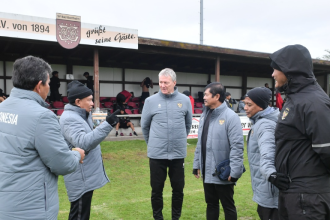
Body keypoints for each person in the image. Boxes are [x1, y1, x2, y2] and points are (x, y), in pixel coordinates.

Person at [0, 56, 85, 220]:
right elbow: (62, 164)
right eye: (48, 83)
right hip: (31, 209)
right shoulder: (42, 116)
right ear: (39, 86)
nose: (49, 88)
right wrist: (76, 154)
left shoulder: (2, 108)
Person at [269, 44, 330, 219]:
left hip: (308, 199)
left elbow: (327, 149)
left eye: (276, 69)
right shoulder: (296, 99)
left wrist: (310, 187)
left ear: (289, 69)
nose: (273, 74)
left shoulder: (312, 102)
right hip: (295, 194)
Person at [59, 80, 119, 220]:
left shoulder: (82, 115)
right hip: (80, 177)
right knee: (79, 215)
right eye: (90, 100)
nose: (93, 103)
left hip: (84, 176)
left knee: (82, 214)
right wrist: (107, 125)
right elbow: (83, 143)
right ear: (78, 102)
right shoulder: (69, 118)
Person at [141, 68, 192, 220]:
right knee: (156, 190)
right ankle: (158, 218)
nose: (162, 85)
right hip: (157, 155)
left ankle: (175, 217)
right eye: (160, 82)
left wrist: (178, 140)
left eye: (166, 82)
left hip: (178, 154)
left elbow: (187, 125)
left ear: (174, 83)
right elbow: (145, 126)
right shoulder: (150, 101)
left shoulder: (184, 100)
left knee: (178, 190)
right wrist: (153, 144)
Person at [193, 82, 245, 220]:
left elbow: (237, 146)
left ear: (216, 96)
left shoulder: (231, 117)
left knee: (228, 206)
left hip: (223, 172)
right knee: (211, 204)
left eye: (206, 94)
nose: (203, 97)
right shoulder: (204, 115)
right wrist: (197, 164)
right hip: (207, 171)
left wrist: (234, 171)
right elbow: (200, 142)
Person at [244, 87, 280, 220]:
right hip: (264, 186)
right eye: (244, 104)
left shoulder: (265, 125)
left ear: (260, 106)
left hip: (269, 188)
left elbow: (268, 151)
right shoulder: (260, 121)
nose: (245, 108)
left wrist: (271, 174)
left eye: (249, 104)